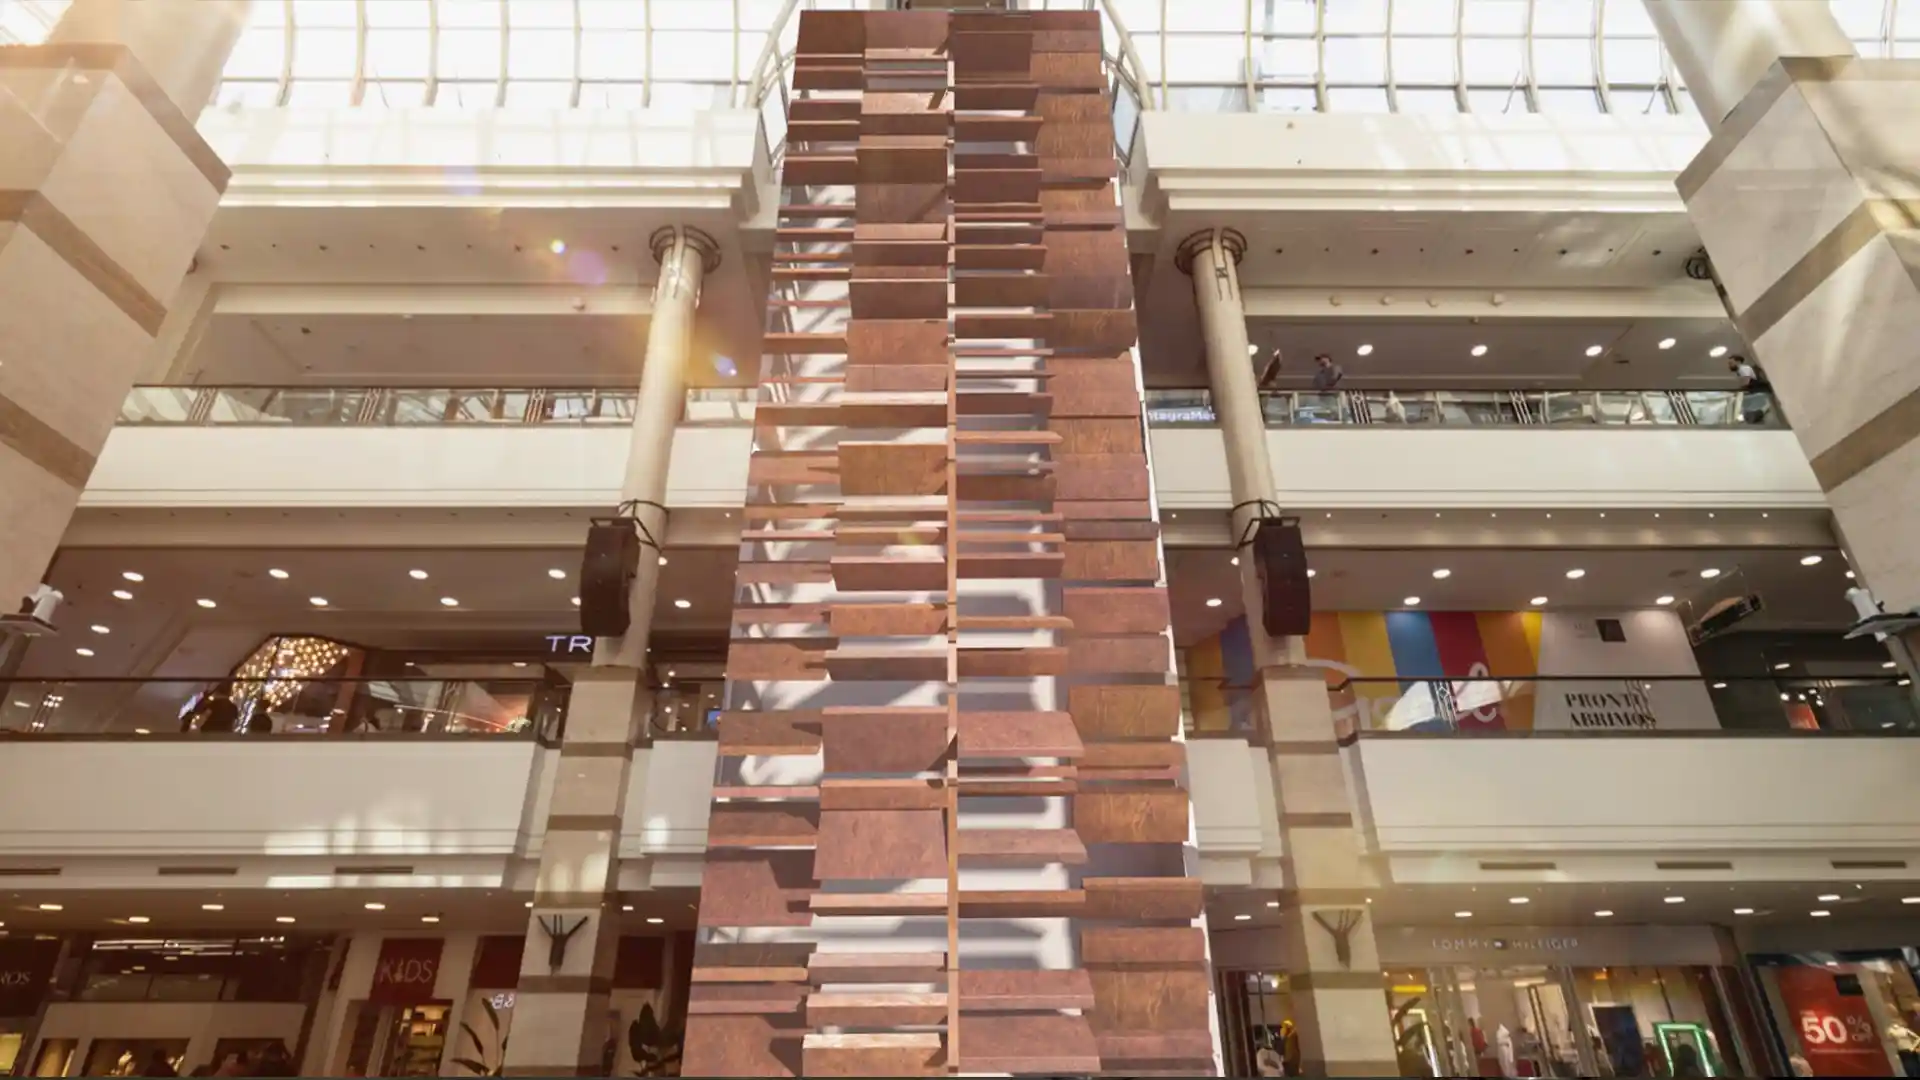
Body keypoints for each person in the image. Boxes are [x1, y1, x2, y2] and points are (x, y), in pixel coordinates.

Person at [1729, 354, 1772, 424]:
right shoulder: (1740, 374)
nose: (1729, 365)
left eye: (1731, 363)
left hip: (1761, 397)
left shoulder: (1745, 369)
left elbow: (1746, 383)